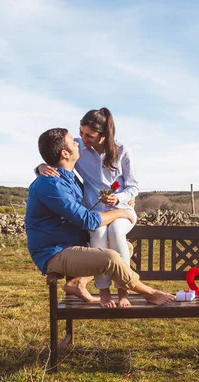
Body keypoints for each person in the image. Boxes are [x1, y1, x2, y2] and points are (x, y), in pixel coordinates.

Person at [25, 127, 174, 306]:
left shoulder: (69, 178)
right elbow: (87, 220)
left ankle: (78, 282)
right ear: (65, 153)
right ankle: (148, 292)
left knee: (123, 247)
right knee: (111, 258)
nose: (78, 142)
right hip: (54, 252)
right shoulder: (51, 184)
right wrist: (120, 212)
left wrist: (124, 198)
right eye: (73, 141)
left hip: (73, 245)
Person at [37, 108, 138, 309]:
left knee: (116, 231)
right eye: (81, 133)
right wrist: (40, 167)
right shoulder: (78, 147)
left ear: (103, 135)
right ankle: (104, 292)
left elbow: (133, 186)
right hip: (94, 212)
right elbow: (57, 158)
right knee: (99, 234)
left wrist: (118, 198)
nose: (83, 138)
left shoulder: (122, 150)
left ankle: (124, 290)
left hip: (122, 210)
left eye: (89, 135)